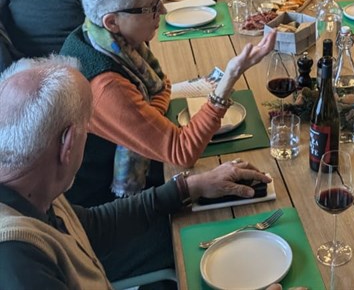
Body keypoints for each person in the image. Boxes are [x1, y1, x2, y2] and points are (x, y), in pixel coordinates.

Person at [0, 57, 279, 289]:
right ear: (69, 144)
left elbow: (91, 227)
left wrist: (188, 187)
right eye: (89, 129)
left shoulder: (32, 185)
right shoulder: (17, 262)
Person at [60, 0, 276, 207]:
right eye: (151, 6)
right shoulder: (106, 85)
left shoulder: (107, 41)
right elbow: (182, 152)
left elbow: (162, 86)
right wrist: (228, 81)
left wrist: (145, 117)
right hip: (109, 206)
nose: (162, 10)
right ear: (112, 21)